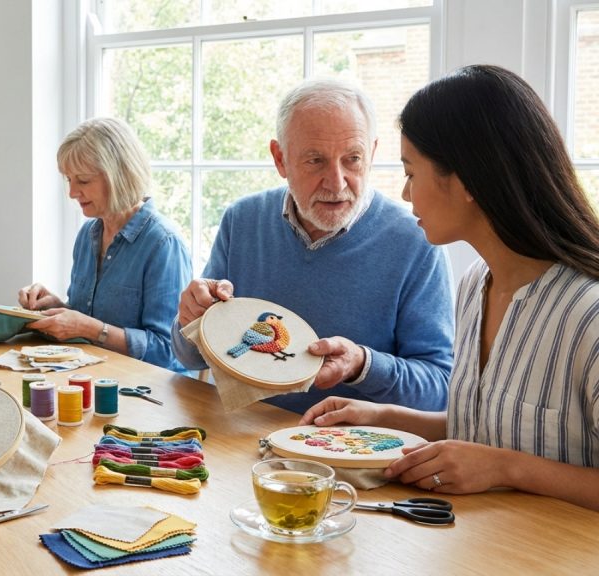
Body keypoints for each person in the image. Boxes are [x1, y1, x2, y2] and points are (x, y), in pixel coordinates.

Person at [301, 65, 599, 511]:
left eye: (411, 171)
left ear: (465, 181)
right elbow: (491, 428)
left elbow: (502, 456)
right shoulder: (475, 284)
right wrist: (384, 419)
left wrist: (507, 468)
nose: (405, 193)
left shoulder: (588, 313)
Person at [173, 78, 454, 413]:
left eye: (352, 159)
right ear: (280, 159)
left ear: (373, 154)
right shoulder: (242, 221)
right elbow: (187, 355)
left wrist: (363, 365)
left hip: (350, 450)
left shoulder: (418, 243)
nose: (336, 183)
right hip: (245, 437)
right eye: (315, 160)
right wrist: (190, 320)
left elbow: (439, 389)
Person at [18, 117, 192, 372]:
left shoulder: (163, 244)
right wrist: (57, 308)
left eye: (83, 181)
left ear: (119, 176)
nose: (72, 192)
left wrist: (88, 328)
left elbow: (168, 351)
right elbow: (88, 320)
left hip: (150, 393)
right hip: (94, 379)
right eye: (69, 180)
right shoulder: (88, 234)